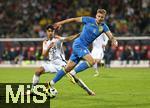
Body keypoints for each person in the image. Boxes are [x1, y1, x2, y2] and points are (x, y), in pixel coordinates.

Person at [48, 9, 118, 93]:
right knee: (92, 62)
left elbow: (110, 36)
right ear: (96, 16)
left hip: (83, 46)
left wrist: (114, 40)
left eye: (101, 17)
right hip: (78, 44)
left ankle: (51, 83)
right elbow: (73, 19)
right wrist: (60, 23)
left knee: (67, 68)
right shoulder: (88, 20)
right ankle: (73, 73)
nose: (99, 18)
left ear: (104, 18)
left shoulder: (104, 27)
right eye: (98, 16)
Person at [30, 25, 94, 95]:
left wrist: (78, 35)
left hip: (62, 64)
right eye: (49, 31)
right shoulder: (45, 42)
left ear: (54, 32)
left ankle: (88, 91)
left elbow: (68, 39)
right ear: (46, 32)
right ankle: (33, 90)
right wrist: (49, 47)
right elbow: (43, 54)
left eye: (52, 31)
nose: (50, 33)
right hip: (52, 64)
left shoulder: (58, 39)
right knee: (38, 71)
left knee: (74, 78)